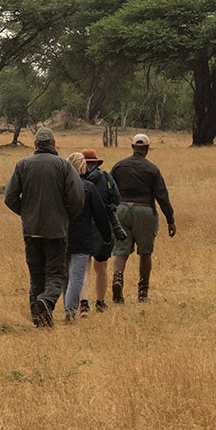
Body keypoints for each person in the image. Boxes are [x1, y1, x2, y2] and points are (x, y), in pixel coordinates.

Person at [4, 127, 85, 327]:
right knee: (56, 273)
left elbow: (10, 197)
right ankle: (47, 302)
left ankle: (39, 320)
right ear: (54, 144)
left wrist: (27, 214)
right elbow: (77, 197)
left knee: (36, 276)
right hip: (56, 231)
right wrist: (66, 216)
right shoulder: (64, 166)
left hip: (31, 230)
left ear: (35, 145)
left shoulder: (22, 165)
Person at [109, 133, 177, 303]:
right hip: (144, 210)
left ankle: (118, 279)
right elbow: (162, 196)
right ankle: (142, 293)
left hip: (122, 209)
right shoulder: (152, 169)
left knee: (120, 250)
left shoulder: (119, 166)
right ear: (146, 149)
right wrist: (170, 219)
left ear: (132, 147)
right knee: (145, 252)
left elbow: (109, 191)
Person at [62, 153, 126, 323]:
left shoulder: (63, 185)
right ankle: (99, 301)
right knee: (100, 268)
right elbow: (112, 204)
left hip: (65, 234)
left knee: (78, 272)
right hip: (91, 232)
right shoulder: (100, 180)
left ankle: (80, 305)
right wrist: (107, 236)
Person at [77, 148, 121, 315]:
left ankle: (84, 304)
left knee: (84, 267)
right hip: (104, 229)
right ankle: (100, 302)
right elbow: (117, 199)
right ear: (96, 163)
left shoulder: (76, 180)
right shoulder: (106, 177)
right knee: (101, 267)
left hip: (83, 227)